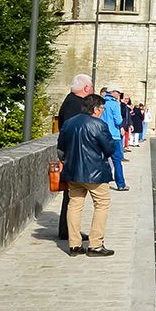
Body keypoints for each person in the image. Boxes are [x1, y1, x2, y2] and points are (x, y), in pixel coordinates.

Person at [57, 93, 116, 257]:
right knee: (101, 204)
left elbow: (61, 148)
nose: (102, 112)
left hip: (73, 172)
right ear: (96, 109)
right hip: (95, 173)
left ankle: (74, 245)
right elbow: (109, 149)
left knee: (74, 205)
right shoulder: (99, 125)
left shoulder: (69, 123)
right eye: (102, 108)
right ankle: (95, 244)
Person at [56, 73, 94, 240]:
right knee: (73, 197)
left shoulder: (70, 100)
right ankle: (68, 231)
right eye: (91, 88)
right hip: (74, 155)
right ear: (86, 88)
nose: (92, 91)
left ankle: (67, 230)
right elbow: (73, 130)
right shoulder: (75, 104)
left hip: (71, 154)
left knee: (71, 196)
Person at [100, 85, 128, 191]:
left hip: (102, 135)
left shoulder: (101, 103)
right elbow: (118, 120)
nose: (119, 94)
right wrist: (122, 126)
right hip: (114, 136)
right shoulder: (114, 104)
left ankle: (101, 182)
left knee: (103, 160)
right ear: (112, 92)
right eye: (118, 92)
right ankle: (121, 184)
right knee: (117, 161)